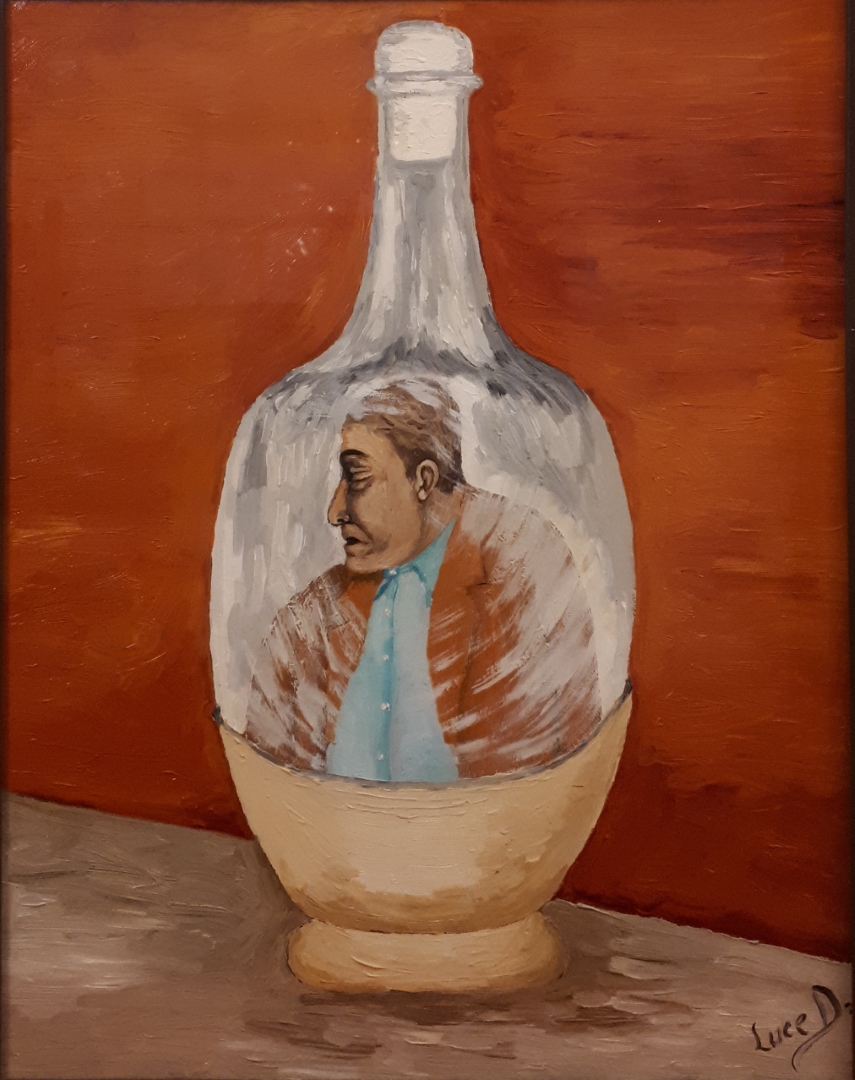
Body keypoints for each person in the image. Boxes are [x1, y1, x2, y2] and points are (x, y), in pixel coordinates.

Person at [244, 380, 601, 781]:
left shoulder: (524, 558)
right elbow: (266, 767)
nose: (335, 511)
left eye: (356, 477)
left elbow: (576, 763)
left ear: (424, 480)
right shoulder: (313, 615)